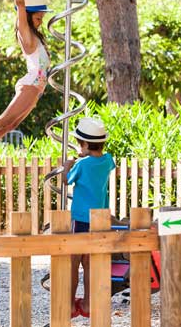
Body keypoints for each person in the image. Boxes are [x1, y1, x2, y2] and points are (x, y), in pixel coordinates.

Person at [0, 0, 52, 170]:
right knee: (3, 120)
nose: (40, 22)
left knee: (11, 125)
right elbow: (20, 5)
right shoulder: (27, 36)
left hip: (36, 90)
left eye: (42, 18)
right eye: (38, 18)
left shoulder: (37, 38)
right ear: (29, 17)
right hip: (30, 86)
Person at [64, 117, 115, 318]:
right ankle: (87, 304)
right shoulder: (108, 160)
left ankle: (68, 304)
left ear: (84, 144)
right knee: (90, 263)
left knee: (73, 262)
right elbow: (99, 165)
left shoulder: (82, 164)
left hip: (81, 218)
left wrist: (69, 163)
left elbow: (67, 180)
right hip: (99, 218)